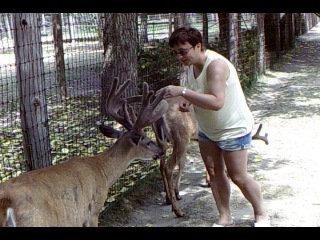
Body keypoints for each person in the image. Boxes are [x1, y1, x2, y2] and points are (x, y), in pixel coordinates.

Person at [156, 26, 270, 227]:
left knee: (238, 176)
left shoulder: (215, 65)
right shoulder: (192, 65)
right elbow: (200, 89)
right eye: (176, 53)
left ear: (198, 46)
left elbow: (217, 102)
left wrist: (182, 92)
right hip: (208, 129)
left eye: (184, 51)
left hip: (232, 128)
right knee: (214, 172)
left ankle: (261, 213)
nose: (180, 57)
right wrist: (189, 100)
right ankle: (225, 216)